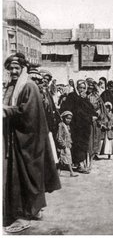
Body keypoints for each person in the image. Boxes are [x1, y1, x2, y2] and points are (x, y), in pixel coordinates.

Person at [3, 53, 61, 232]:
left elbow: (27, 114)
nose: (13, 71)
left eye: (16, 68)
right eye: (10, 68)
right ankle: (33, 211)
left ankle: (22, 216)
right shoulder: (14, 86)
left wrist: (6, 111)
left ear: (22, 69)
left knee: (21, 177)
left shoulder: (28, 86)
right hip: (18, 139)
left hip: (28, 141)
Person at [60, 79, 98, 173]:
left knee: (84, 144)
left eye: (83, 88)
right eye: (80, 88)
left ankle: (82, 164)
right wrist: (89, 117)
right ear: (76, 88)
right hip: (76, 125)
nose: (82, 90)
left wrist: (94, 115)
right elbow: (75, 111)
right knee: (78, 145)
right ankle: (80, 165)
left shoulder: (85, 97)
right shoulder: (72, 96)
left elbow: (90, 109)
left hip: (85, 126)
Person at [86, 78, 106, 163]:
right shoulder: (84, 96)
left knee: (96, 136)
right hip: (88, 120)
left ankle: (94, 154)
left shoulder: (97, 97)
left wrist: (99, 116)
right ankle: (88, 154)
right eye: (88, 86)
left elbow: (102, 108)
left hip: (96, 120)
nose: (90, 87)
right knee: (89, 137)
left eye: (91, 86)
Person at [56, 111, 78, 177]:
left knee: (62, 159)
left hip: (67, 144)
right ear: (63, 118)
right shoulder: (61, 125)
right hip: (63, 145)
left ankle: (58, 173)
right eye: (67, 118)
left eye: (70, 119)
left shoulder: (67, 126)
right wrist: (62, 144)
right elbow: (59, 136)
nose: (68, 120)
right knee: (67, 158)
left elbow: (69, 135)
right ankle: (71, 172)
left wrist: (70, 142)